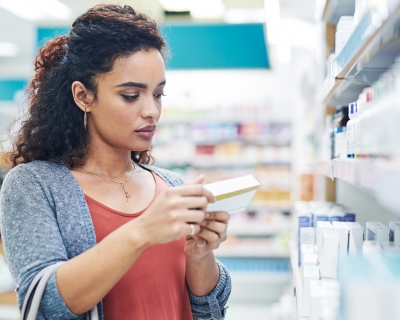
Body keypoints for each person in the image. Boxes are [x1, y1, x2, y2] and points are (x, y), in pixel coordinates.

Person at [0, 4, 231, 320]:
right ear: (83, 96)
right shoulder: (33, 185)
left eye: (158, 94)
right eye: (131, 96)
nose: (151, 110)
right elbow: (43, 304)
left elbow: (209, 311)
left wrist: (200, 255)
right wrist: (142, 231)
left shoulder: (171, 186)